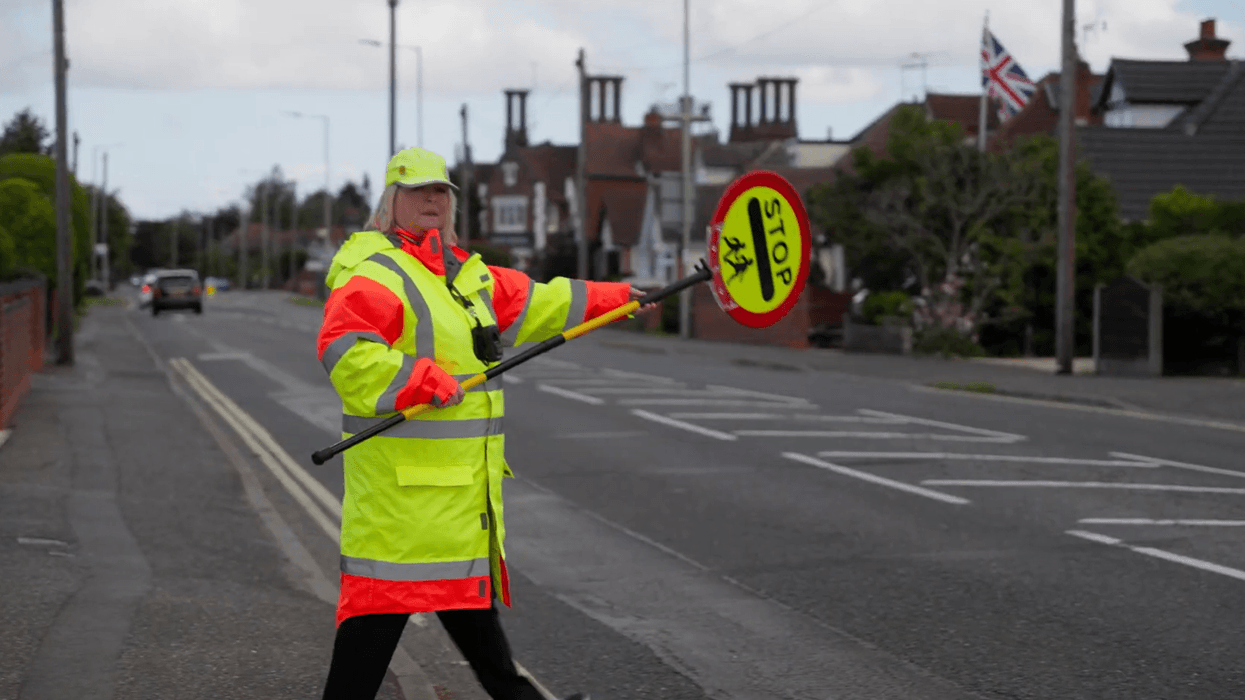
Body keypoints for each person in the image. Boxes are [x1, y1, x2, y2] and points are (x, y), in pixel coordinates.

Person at [316, 147, 646, 700]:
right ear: (391, 201)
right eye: (418, 190)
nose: (431, 199)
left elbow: (542, 302)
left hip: (455, 500)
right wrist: (417, 378)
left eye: (441, 191)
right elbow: (346, 353)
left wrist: (618, 297)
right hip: (401, 505)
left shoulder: (466, 276)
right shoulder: (375, 273)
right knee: (378, 621)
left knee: (464, 606)